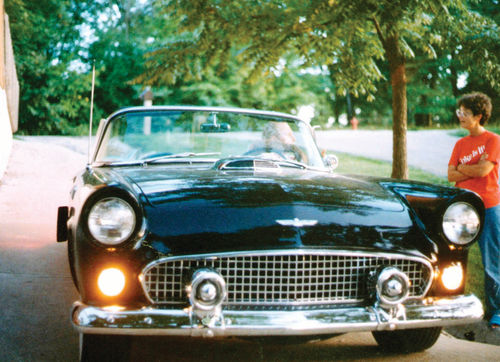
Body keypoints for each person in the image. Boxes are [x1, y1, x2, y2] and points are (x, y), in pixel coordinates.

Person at [448, 92, 500, 329]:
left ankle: (496, 311)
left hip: (488, 206)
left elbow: (483, 172)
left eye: (465, 114)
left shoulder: (493, 140)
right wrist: (472, 168)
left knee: (492, 260)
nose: (461, 117)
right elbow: (450, 175)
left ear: (479, 116)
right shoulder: (460, 143)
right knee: (454, 256)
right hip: (463, 207)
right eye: (460, 112)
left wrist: (462, 168)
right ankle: (451, 304)